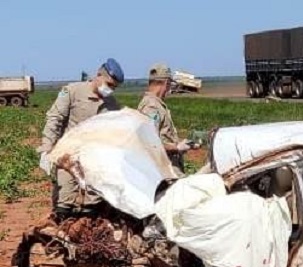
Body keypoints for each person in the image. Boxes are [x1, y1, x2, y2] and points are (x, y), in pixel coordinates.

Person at [39, 58, 125, 214]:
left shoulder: (112, 105)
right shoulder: (73, 91)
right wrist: (47, 148)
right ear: (98, 75)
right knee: (64, 203)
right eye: (109, 84)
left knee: (92, 207)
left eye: (115, 87)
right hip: (68, 157)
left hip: (95, 162)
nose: (110, 90)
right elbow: (55, 119)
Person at [137, 63, 192, 175]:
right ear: (166, 83)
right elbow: (150, 143)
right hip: (164, 173)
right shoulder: (151, 107)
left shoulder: (154, 104)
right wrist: (176, 148)